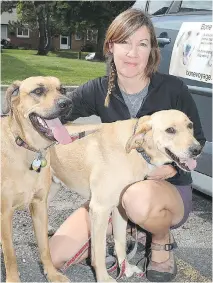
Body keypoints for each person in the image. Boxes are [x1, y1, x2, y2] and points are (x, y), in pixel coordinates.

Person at [49, 8, 205, 282]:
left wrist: (169, 171)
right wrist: (19, 118)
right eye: (124, 42)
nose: (132, 53)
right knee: (55, 256)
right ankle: (123, 231)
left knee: (138, 197)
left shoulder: (173, 89)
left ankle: (159, 237)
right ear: (111, 46)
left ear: (152, 51)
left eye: (142, 44)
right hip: (116, 187)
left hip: (163, 191)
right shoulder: (98, 90)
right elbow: (56, 114)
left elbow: (197, 141)